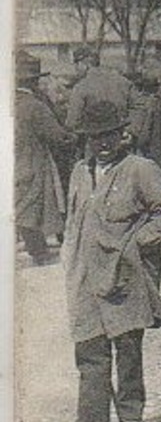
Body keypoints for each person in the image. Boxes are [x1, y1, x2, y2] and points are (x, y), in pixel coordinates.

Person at [55, 100, 161, 422]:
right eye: (95, 138)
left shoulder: (139, 169)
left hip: (123, 273)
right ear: (87, 140)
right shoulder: (80, 172)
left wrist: (139, 243)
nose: (103, 144)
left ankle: (130, 414)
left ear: (122, 135)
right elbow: (73, 220)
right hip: (85, 273)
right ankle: (91, 418)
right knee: (89, 344)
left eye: (109, 136)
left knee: (127, 343)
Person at [15, 54, 76, 265]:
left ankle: (33, 247)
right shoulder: (35, 106)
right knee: (31, 204)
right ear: (32, 82)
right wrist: (73, 137)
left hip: (11, 160)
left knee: (17, 203)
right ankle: (38, 252)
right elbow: (57, 136)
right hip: (32, 160)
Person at [63, 45, 134, 136]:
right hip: (121, 137)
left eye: (76, 65)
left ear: (84, 64)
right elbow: (140, 105)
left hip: (94, 140)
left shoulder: (80, 88)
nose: (76, 69)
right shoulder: (123, 81)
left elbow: (72, 122)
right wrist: (131, 131)